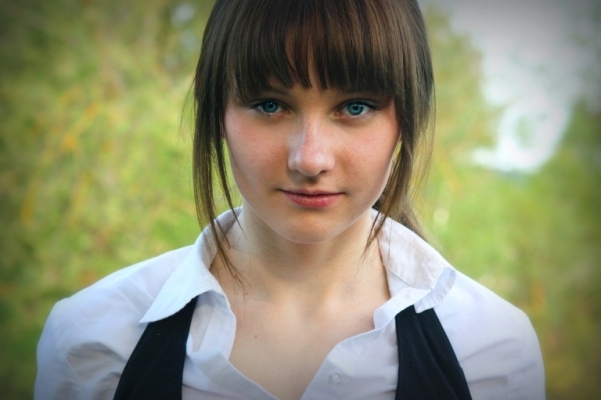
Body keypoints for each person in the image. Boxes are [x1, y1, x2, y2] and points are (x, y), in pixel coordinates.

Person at [35, 0, 545, 399]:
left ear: (406, 119)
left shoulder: (488, 349)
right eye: (270, 104)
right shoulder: (94, 340)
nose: (310, 158)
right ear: (217, 111)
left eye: (355, 107)